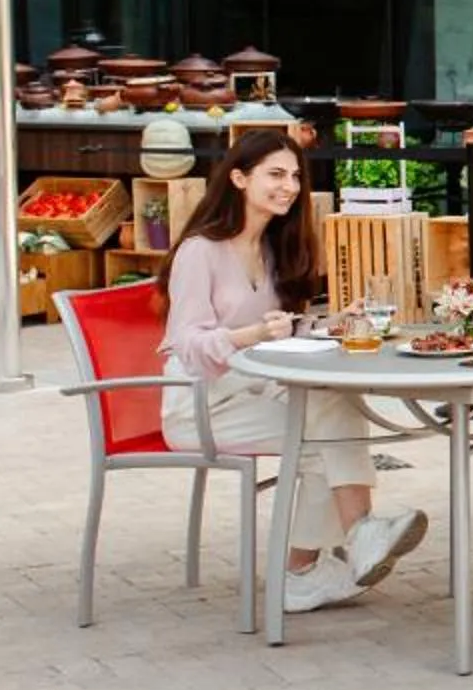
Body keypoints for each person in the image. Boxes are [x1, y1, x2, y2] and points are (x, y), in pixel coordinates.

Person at [161, 129, 426, 615]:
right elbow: (189, 346)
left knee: (329, 401)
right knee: (323, 428)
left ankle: (321, 561)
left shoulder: (271, 248)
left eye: (295, 176)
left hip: (255, 390)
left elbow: (279, 329)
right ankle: (321, 559)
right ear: (239, 178)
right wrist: (251, 336)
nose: (289, 186)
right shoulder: (200, 251)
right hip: (201, 404)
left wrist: (328, 323)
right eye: (275, 174)